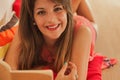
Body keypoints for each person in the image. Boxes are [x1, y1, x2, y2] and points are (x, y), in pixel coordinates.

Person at [3, 0, 117, 80]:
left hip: (83, 27)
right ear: (32, 17)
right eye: (41, 12)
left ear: (68, 11)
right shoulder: (23, 31)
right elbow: (8, 74)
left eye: (57, 9)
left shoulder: (82, 33)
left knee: (94, 25)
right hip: (64, 22)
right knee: (57, 19)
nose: (51, 19)